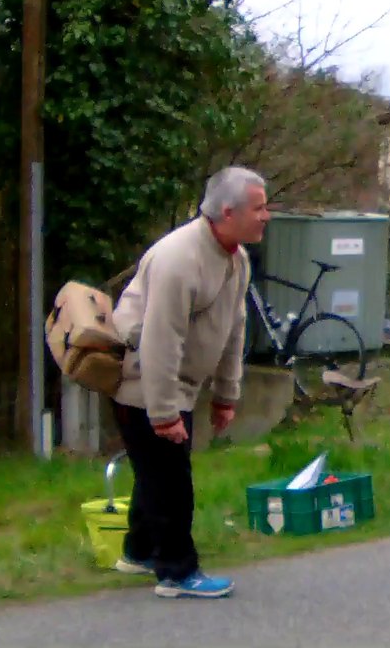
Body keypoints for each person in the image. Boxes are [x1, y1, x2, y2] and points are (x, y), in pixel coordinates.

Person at [109, 165, 269, 598]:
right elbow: (160, 340)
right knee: (172, 484)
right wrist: (163, 414)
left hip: (177, 384)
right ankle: (177, 572)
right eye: (258, 208)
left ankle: (139, 551)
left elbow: (235, 326)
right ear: (227, 211)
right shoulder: (179, 258)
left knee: (156, 475)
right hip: (145, 384)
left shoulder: (236, 257)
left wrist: (226, 394)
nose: (265, 215)